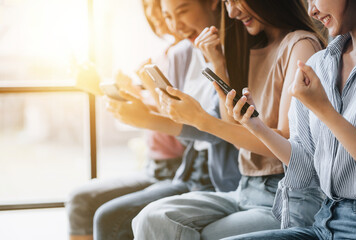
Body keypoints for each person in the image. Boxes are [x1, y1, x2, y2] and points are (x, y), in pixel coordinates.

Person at [131, 1, 327, 239]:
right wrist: (218, 64)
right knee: (152, 218)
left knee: (202, 234)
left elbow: (285, 145)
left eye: (236, 0)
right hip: (245, 189)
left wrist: (202, 119)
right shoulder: (249, 48)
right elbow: (234, 130)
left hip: (285, 199)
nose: (232, 12)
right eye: (227, 2)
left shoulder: (301, 45)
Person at [95, 0, 241, 239]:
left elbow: (220, 130)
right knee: (106, 213)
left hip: (222, 179)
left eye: (182, 11)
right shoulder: (183, 53)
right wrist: (150, 109)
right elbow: (189, 139)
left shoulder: (235, 51)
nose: (176, 25)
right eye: (168, 16)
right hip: (191, 172)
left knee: (114, 217)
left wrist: (149, 119)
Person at [218, 0, 356, 239]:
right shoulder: (319, 64)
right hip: (324, 221)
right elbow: (305, 168)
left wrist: (324, 110)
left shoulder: (304, 51)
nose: (311, 10)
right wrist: (255, 126)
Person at [66, 1, 185, 239]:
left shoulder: (188, 56)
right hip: (154, 165)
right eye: (147, 6)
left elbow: (185, 120)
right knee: (79, 199)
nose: (154, 14)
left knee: (101, 212)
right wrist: (103, 87)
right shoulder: (161, 57)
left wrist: (142, 95)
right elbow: (146, 108)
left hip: (179, 166)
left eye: (159, 5)